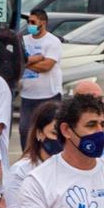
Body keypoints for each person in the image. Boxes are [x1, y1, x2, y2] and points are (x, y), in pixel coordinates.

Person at [18, 8, 63, 147]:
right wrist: (35, 59)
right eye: (28, 22)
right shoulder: (24, 40)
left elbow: (47, 66)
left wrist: (26, 62)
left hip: (48, 95)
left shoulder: (52, 41)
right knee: (24, 130)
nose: (29, 25)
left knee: (49, 130)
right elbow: (18, 61)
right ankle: (27, 157)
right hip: (27, 95)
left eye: (33, 22)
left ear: (43, 23)